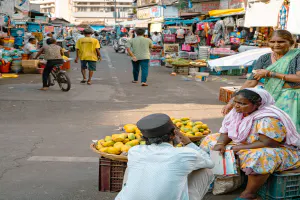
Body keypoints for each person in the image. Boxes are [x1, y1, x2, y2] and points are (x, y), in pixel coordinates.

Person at [201, 88, 300, 200]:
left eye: (242, 103)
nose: (237, 106)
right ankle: (216, 179)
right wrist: (220, 143)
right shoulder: (237, 113)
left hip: (274, 148)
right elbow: (227, 131)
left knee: (259, 156)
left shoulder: (268, 118)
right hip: (247, 142)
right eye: (236, 102)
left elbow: (268, 143)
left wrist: (238, 147)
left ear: (257, 104)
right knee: (210, 140)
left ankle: (249, 193)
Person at [116, 113, 214, 200]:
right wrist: (188, 143)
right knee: (206, 170)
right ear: (173, 135)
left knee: (132, 166)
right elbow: (210, 163)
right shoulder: (185, 154)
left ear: (145, 138)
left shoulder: (135, 151)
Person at [222, 30, 300, 132]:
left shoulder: (297, 56)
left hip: (294, 98)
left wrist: (270, 74)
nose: (276, 45)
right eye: (272, 42)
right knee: (273, 128)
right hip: (272, 97)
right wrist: (232, 102)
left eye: (281, 42)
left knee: (291, 128)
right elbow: (251, 82)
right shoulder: (264, 58)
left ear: (290, 42)